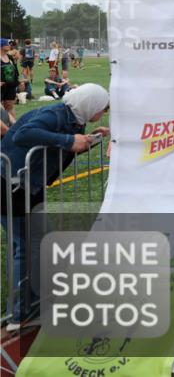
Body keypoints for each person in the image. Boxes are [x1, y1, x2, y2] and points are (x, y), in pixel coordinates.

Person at [0, 84, 110, 328]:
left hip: (29, 185)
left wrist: (90, 140)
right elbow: (23, 134)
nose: (102, 113)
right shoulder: (55, 115)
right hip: (9, 184)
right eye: (101, 109)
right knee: (26, 246)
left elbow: (64, 148)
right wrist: (69, 140)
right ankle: (18, 313)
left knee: (39, 242)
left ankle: (35, 300)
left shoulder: (74, 120)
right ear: (89, 104)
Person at [1, 38, 20, 131]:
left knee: (9, 106)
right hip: (1, 87)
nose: (9, 46)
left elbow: (15, 70)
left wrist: (17, 81)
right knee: (1, 108)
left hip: (11, 86)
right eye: (7, 44)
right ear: (1, 46)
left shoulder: (10, 57)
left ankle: (14, 128)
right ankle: (4, 129)